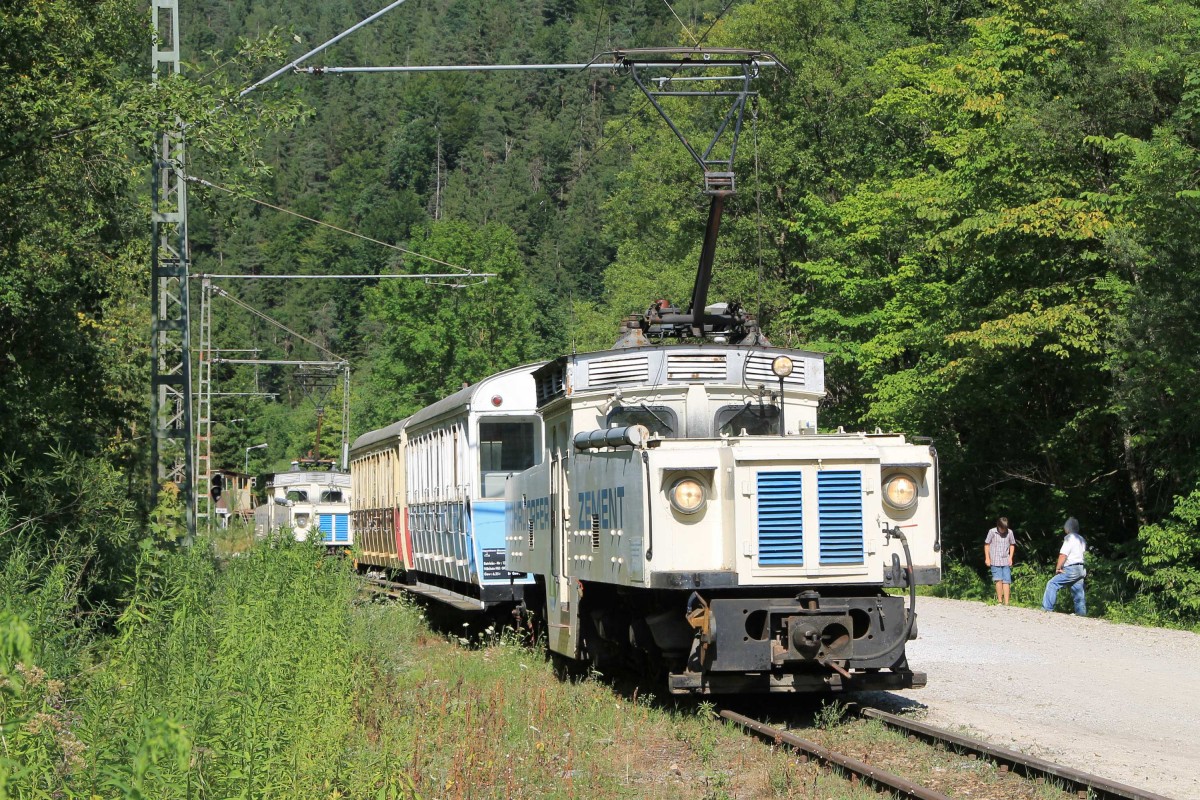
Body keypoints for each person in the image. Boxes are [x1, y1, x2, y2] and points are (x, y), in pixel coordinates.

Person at [1042, 517, 1087, 615]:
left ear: (1068, 528)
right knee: (1078, 592)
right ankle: (1081, 614)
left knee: (1052, 584)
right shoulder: (1081, 539)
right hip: (1081, 568)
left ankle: (1047, 609)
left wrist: (1058, 567)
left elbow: (1063, 555)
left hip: (1071, 568)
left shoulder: (1069, 538)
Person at [984, 517, 1016, 605]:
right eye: (1002, 528)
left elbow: (1012, 544)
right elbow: (987, 544)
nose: (1003, 530)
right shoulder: (992, 532)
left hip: (1006, 559)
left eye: (1005, 528)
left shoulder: (1010, 532)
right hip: (995, 560)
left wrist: (1011, 557)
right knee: (998, 580)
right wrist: (987, 558)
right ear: (998, 526)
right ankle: (999, 601)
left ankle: (1007, 602)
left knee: (1007, 581)